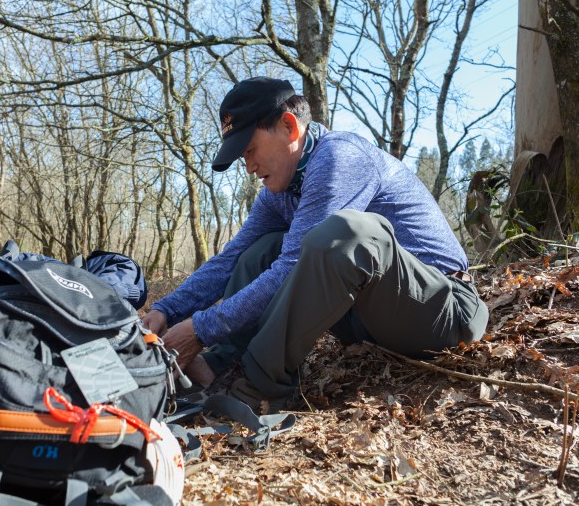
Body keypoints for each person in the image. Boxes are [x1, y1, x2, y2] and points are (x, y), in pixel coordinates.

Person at [142, 76, 489, 412]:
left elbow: (295, 266)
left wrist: (201, 328)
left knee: (346, 233)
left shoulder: (340, 157)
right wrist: (167, 310)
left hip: (443, 314)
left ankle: (259, 386)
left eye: (250, 150)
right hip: (367, 322)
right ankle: (223, 366)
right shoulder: (279, 191)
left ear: (289, 127)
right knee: (260, 249)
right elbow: (230, 259)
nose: (248, 167)